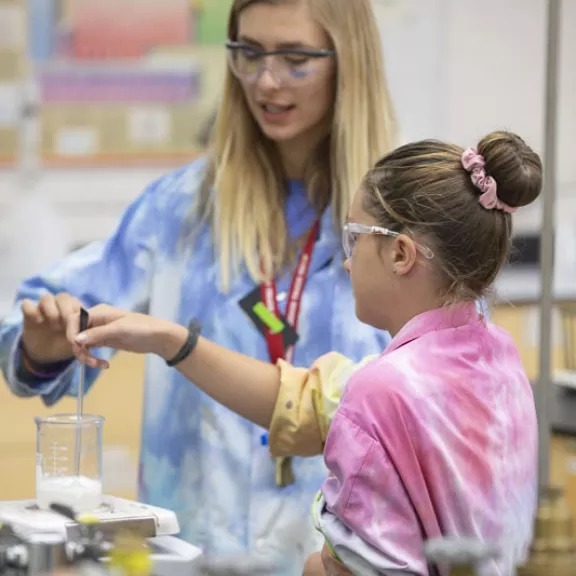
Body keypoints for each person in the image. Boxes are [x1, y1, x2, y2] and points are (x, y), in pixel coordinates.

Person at [0, 0, 395, 573]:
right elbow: (32, 324)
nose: (266, 80)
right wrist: (46, 340)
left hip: (343, 559)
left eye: (295, 58)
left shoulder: (400, 225)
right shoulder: (180, 209)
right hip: (193, 556)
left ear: (349, 61)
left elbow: (443, 402)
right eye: (248, 53)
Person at [63, 130, 541, 576]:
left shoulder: (383, 389)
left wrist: (315, 565)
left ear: (400, 254)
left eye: (356, 238)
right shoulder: (497, 359)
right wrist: (172, 339)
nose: (348, 260)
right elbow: (307, 401)